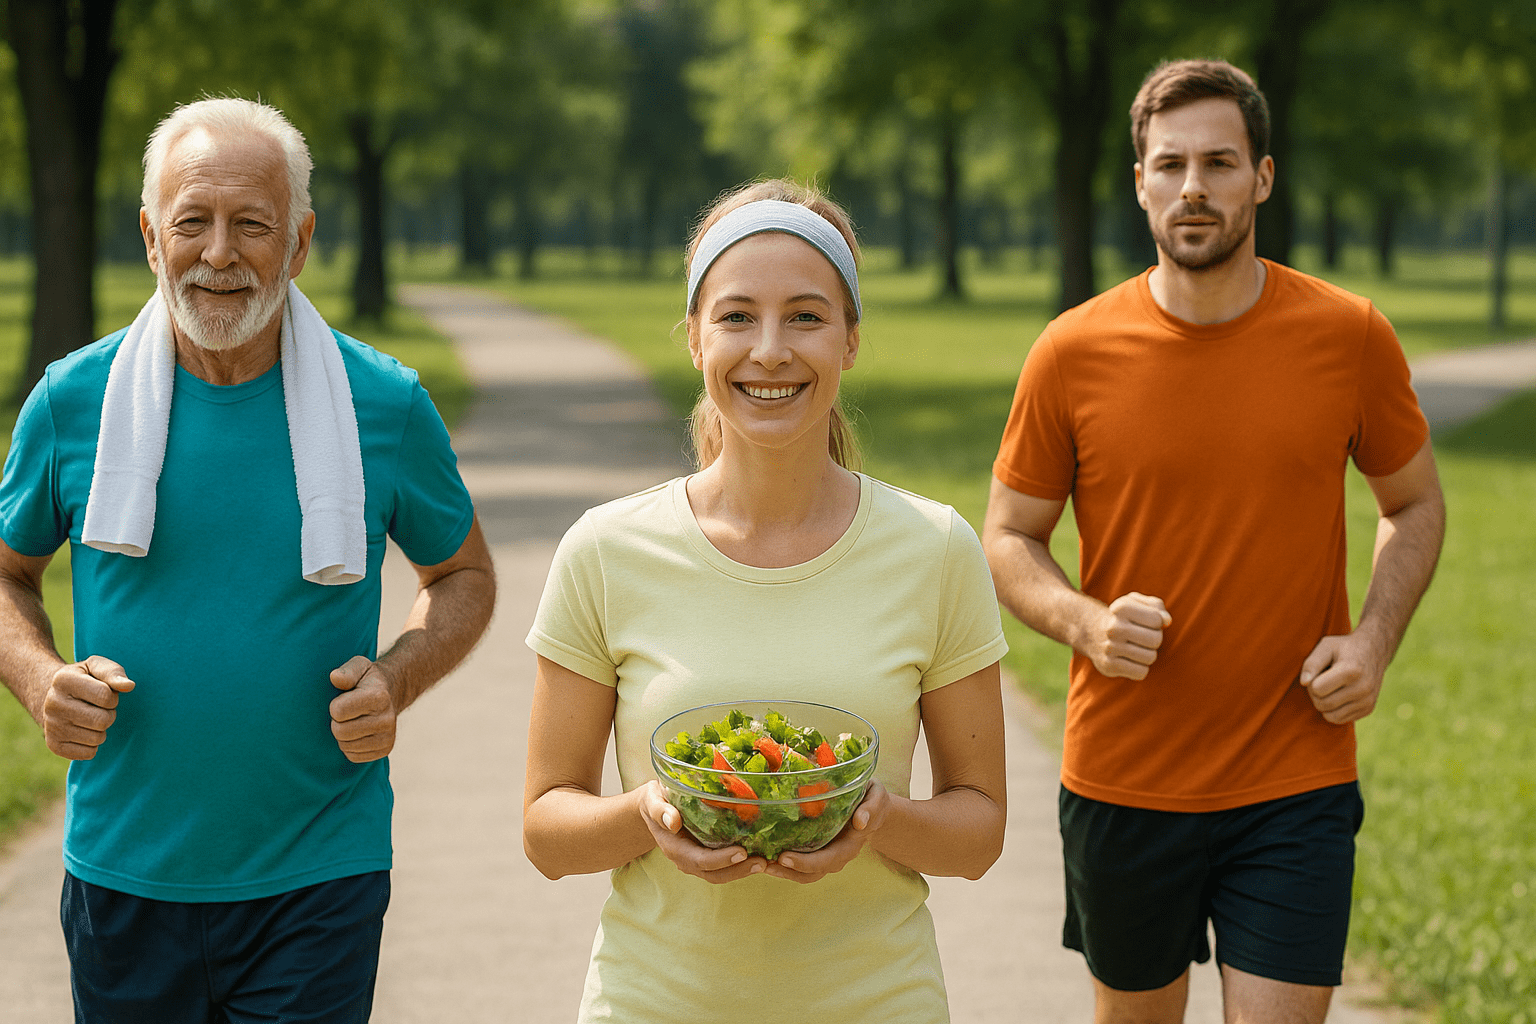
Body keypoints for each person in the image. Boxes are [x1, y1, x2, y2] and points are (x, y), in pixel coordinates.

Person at [0, 98, 496, 1022]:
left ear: (300, 243)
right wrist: (37, 680)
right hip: (125, 870)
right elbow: (7, 573)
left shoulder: (382, 404)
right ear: (152, 236)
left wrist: (397, 678)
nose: (219, 253)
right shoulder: (72, 401)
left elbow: (463, 576)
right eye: (192, 221)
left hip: (320, 872)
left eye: (252, 225)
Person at [982, 59, 1446, 1024]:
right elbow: (1010, 537)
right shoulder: (1068, 351)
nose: (1195, 187)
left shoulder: (1350, 335)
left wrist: (1373, 642)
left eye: (1220, 164)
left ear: (1262, 178)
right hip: (1125, 776)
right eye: (1172, 164)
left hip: (1295, 780)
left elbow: (1413, 503)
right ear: (1141, 181)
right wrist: (1084, 621)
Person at [522, 179, 1009, 1022]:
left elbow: (980, 829)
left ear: (851, 340)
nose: (771, 350)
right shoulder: (605, 549)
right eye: (738, 315)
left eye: (808, 316)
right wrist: (651, 812)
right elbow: (545, 829)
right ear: (695, 337)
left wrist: (872, 818)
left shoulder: (934, 548)